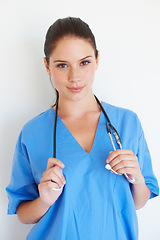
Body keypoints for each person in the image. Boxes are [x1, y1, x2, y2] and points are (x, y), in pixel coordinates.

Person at [6, 17, 159, 240]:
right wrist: (44, 200)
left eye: (84, 62)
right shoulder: (32, 133)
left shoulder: (127, 123)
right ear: (47, 66)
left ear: (97, 60)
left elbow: (137, 202)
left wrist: (136, 177)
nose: (75, 77)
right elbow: (23, 214)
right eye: (62, 65)